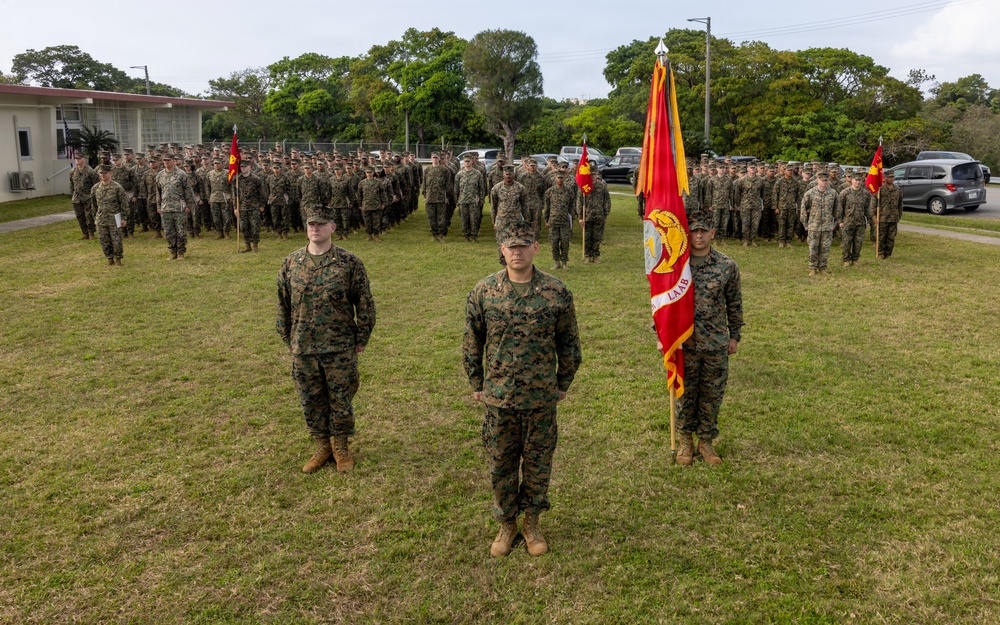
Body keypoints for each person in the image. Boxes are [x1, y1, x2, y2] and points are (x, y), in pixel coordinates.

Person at [462, 220, 582, 557]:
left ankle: (531, 521)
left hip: (541, 395)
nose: (516, 251)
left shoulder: (556, 292)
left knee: (538, 461)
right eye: (510, 246)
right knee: (501, 462)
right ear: (502, 250)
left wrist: (563, 382)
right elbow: (473, 340)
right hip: (498, 397)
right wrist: (476, 381)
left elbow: (569, 341)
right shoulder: (484, 291)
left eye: (523, 245)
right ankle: (507, 523)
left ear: (535, 249)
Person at [277, 207, 376, 474]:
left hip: (339, 346)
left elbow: (364, 303)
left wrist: (361, 338)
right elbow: (282, 304)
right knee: (311, 399)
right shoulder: (292, 263)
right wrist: (289, 339)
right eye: (311, 224)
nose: (315, 228)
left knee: (341, 398)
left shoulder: (349, 262)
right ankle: (322, 446)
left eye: (321, 224)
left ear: (332, 227)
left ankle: (341, 446)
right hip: (303, 347)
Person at [667, 213, 743, 466]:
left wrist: (735, 336)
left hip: (715, 342)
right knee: (685, 393)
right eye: (694, 231)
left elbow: (734, 303)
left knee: (712, 394)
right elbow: (664, 301)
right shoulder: (676, 265)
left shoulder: (727, 266)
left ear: (712, 233)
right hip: (684, 342)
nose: (698, 236)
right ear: (687, 234)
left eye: (703, 231)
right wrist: (663, 337)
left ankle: (706, 442)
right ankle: (685, 441)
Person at [156, 153, 196, 260]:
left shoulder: (181, 174)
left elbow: (189, 191)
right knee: (169, 232)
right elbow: (158, 192)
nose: (166, 162)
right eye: (164, 160)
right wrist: (158, 206)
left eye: (168, 160)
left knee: (181, 232)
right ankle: (173, 252)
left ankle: (181, 252)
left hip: (179, 208)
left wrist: (188, 205)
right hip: (165, 208)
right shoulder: (160, 175)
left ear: (174, 161)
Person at [800, 172, 839, 275]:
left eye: (826, 180)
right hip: (814, 226)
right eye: (822, 180)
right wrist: (805, 223)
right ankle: (812, 267)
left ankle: (822, 267)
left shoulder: (833, 193)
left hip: (827, 226)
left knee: (825, 248)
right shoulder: (810, 193)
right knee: (813, 247)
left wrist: (834, 224)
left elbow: (837, 210)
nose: (824, 182)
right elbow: (803, 208)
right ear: (817, 180)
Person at [90, 164, 129, 266]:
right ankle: (109, 258)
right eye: (101, 173)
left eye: (104, 173)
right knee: (104, 240)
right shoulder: (95, 188)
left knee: (116, 240)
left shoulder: (117, 187)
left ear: (110, 173)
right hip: (101, 219)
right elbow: (94, 204)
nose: (102, 175)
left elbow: (124, 204)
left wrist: (124, 218)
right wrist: (95, 217)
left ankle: (118, 259)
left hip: (115, 218)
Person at [836, 172, 875, 267]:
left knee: (858, 242)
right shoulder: (845, 193)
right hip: (847, 221)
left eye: (859, 180)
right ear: (852, 180)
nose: (857, 182)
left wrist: (872, 219)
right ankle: (846, 259)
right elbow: (839, 208)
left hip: (860, 222)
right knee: (846, 242)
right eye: (856, 180)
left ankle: (855, 259)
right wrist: (840, 221)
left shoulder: (865, 194)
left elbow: (867, 208)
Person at [542, 171, 576, 269]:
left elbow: (571, 206)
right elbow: (547, 207)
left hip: (565, 220)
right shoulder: (549, 192)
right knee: (554, 242)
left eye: (561, 178)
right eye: (558, 178)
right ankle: (556, 261)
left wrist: (572, 219)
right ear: (555, 179)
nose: (560, 179)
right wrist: (546, 219)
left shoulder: (569, 191)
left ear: (564, 179)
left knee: (565, 241)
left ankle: (564, 261)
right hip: (553, 220)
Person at [455, 154, 487, 242]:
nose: (467, 163)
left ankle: (474, 236)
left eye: (468, 161)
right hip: (462, 201)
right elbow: (456, 189)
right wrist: (456, 200)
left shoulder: (477, 174)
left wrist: (481, 200)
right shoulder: (459, 174)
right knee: (464, 219)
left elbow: (482, 188)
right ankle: (466, 236)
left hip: (474, 201)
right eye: (465, 161)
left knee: (474, 219)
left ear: (471, 162)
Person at [875, 169, 903, 259]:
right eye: (889, 177)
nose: (891, 179)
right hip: (883, 217)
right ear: (885, 178)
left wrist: (899, 215)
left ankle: (888, 253)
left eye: (892, 177)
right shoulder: (880, 190)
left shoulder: (897, 190)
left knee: (891, 237)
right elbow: (873, 204)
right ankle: (880, 252)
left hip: (893, 217)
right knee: (881, 237)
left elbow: (900, 204)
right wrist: (873, 216)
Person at [70, 154, 98, 240]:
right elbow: (72, 184)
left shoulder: (90, 172)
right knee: (79, 216)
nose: (77, 160)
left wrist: (94, 197)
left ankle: (91, 233)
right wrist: (73, 194)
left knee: (89, 216)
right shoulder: (72, 171)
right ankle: (85, 233)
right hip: (77, 198)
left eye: (79, 158)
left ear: (84, 159)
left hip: (88, 197)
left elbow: (96, 184)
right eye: (76, 159)